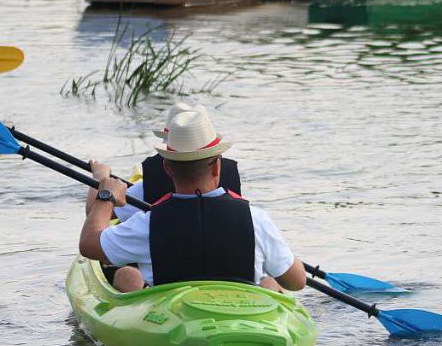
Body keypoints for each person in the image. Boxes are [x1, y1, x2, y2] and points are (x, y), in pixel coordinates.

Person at [80, 107, 306, 294]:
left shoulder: (147, 224)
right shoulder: (256, 219)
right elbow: (297, 282)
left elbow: (89, 245)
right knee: (271, 282)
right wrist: (276, 252)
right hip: (242, 318)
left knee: (127, 274)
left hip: (176, 318)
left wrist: (105, 195)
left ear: (167, 167)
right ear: (218, 166)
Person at [94, 101, 243, 222]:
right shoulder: (251, 218)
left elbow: (94, 221)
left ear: (167, 165)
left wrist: (101, 180)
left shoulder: (145, 219)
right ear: (217, 166)